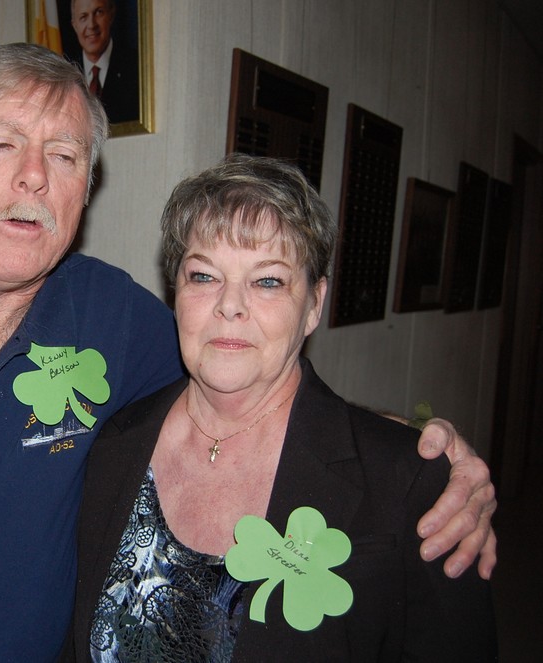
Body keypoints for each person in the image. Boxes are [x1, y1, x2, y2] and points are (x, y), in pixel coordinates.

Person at [0, 44, 496, 662]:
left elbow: (245, 369)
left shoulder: (118, 317)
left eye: (64, 156)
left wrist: (416, 451)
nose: (34, 177)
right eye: (2, 144)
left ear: (85, 187)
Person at [71, 155, 496, 661]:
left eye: (267, 281)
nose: (230, 305)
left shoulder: (408, 482)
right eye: (203, 276)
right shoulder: (112, 445)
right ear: (175, 292)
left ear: (314, 304)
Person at [69, 0, 139, 124]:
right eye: (83, 17)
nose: (91, 25)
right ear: (75, 25)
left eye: (99, 12)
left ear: (111, 15)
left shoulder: (136, 67)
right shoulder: (66, 74)